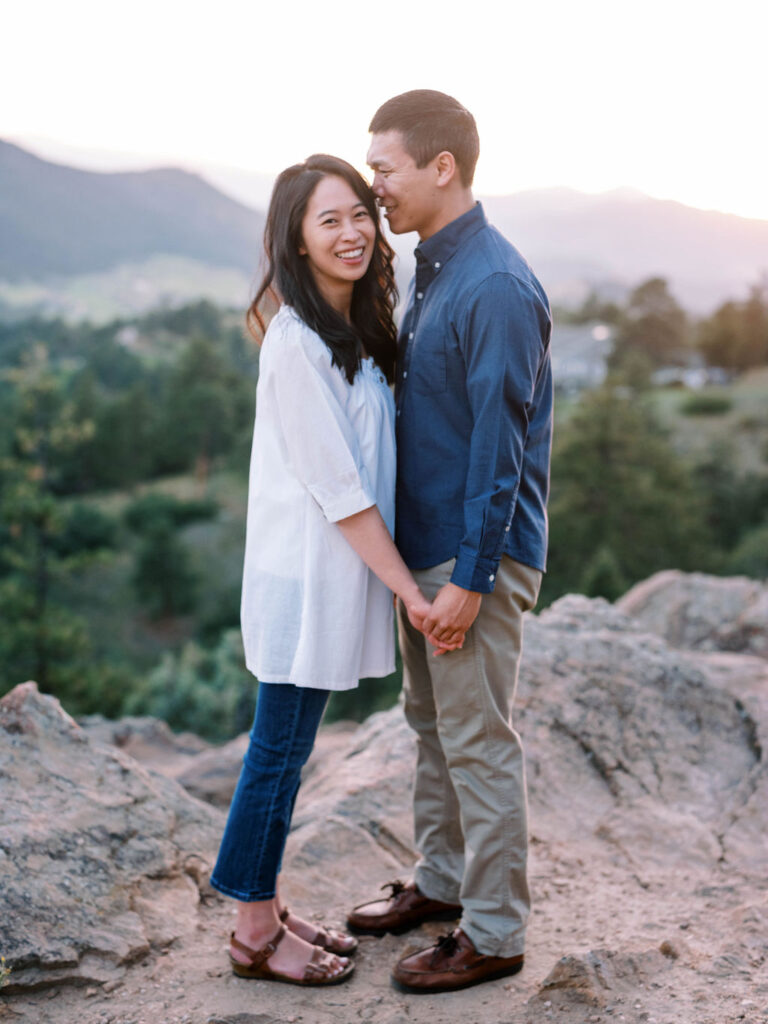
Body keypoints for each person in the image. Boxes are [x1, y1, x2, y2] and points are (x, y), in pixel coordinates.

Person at [210, 154, 457, 988]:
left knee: (288, 748)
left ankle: (267, 907)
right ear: (297, 241)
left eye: (359, 213)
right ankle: (251, 930)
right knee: (277, 753)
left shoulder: (353, 330)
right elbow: (342, 494)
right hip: (301, 582)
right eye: (329, 221)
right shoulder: (295, 344)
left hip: (329, 577)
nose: (352, 232)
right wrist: (411, 593)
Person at [346, 91, 554, 994]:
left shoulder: (497, 285)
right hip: (423, 553)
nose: (374, 185)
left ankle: (497, 929)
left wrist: (470, 579)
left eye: (384, 167)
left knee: (477, 740)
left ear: (443, 168)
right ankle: (439, 884)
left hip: (473, 559)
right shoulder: (434, 270)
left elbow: (499, 451)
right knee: (431, 728)